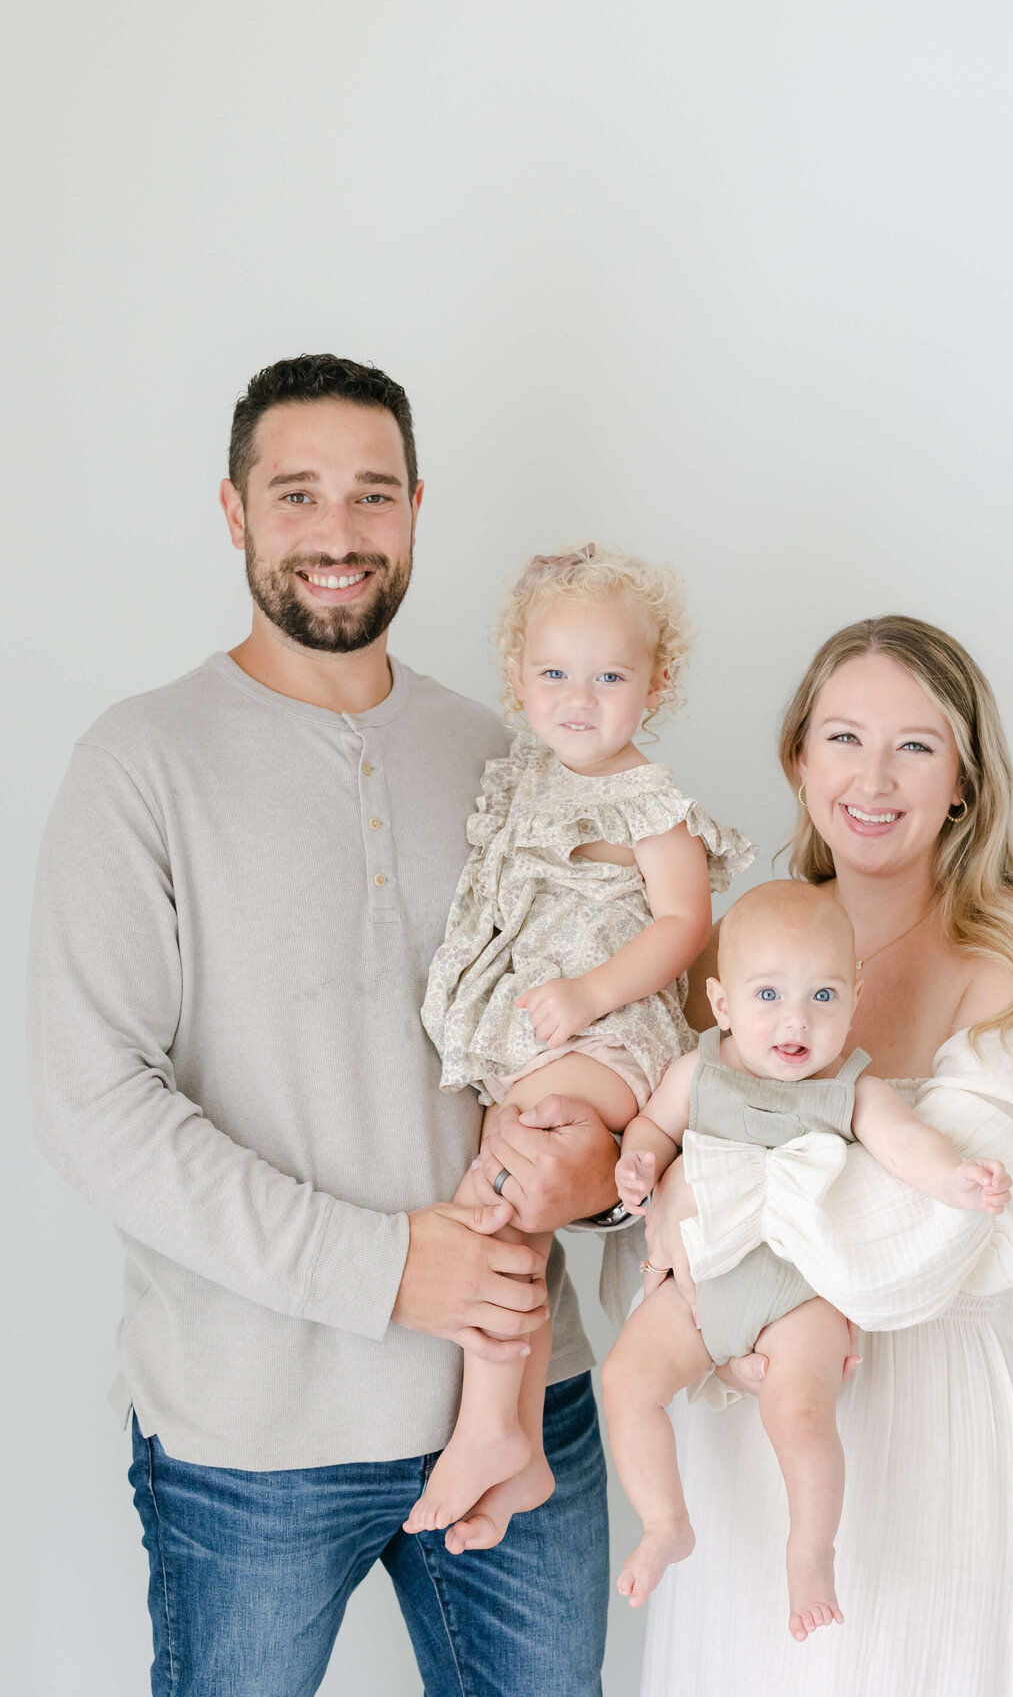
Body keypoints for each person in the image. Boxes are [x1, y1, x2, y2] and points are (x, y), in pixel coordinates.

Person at [27, 354, 623, 1697]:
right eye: (297, 495)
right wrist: (379, 1270)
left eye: (370, 495)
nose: (338, 534)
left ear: (417, 509)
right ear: (235, 513)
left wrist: (604, 1200)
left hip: (529, 1403)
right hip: (252, 1441)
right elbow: (92, 1104)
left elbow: (603, 1044)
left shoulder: (513, 753)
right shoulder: (141, 764)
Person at [634, 616, 1013, 1697]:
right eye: (842, 738)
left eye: (916, 746)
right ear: (799, 759)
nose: (872, 778)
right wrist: (702, 1287)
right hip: (748, 1410)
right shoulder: (733, 945)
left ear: (966, 783)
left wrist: (706, 1207)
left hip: (941, 1413)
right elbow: (647, 1214)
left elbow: (947, 1237)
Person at [409, 543, 754, 1547]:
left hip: (608, 1027)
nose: (579, 699)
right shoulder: (523, 775)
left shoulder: (648, 797)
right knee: (499, 1211)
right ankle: (514, 1438)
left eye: (610, 678)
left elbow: (684, 925)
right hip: (542, 1022)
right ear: (517, 677)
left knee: (509, 1188)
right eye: (555, 673)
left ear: (656, 685)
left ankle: (488, 1430)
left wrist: (593, 992)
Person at [603, 878, 1013, 1642]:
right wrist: (640, 1166)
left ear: (855, 996)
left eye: (823, 996)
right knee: (625, 1381)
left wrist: (957, 1177)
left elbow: (907, 1147)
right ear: (722, 1005)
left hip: (803, 1296)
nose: (796, 1021)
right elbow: (653, 1130)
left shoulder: (853, 1088)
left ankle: (810, 1554)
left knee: (799, 1414)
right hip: (703, 1286)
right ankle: (666, 1522)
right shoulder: (700, 1074)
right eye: (769, 996)